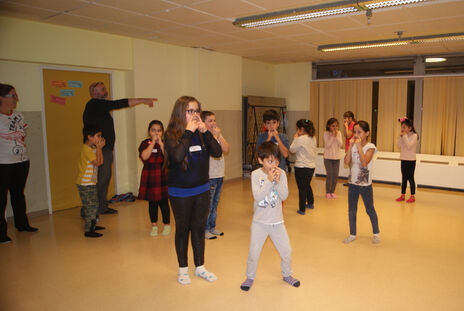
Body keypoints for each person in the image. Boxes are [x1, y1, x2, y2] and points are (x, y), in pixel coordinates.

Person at [164, 96, 222, 285]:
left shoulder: (201, 132)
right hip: (180, 191)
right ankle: (182, 269)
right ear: (181, 112)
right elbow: (178, 156)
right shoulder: (171, 134)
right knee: (183, 229)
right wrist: (188, 132)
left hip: (202, 188)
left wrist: (206, 133)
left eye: (197, 110)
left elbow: (217, 152)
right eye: (190, 111)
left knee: (198, 228)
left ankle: (200, 267)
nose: (195, 114)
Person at [83, 82, 157, 215]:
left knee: (103, 178)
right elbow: (119, 103)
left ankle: (100, 207)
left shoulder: (97, 106)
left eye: (105, 88)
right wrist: (143, 100)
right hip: (100, 149)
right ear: (94, 93)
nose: (105, 91)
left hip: (103, 148)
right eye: (102, 89)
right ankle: (90, 209)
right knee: (99, 179)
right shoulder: (95, 104)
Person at [240, 142, 300, 291]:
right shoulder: (255, 175)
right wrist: (268, 180)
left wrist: (278, 181)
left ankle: (287, 274)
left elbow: (284, 196)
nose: (274, 164)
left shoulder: (282, 174)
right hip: (259, 222)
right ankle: (250, 277)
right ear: (261, 160)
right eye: (270, 161)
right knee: (254, 253)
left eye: (276, 161)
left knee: (286, 251)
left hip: (277, 222)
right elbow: (258, 196)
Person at [0, 84, 38, 244]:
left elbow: (22, 135)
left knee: (18, 193)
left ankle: (22, 224)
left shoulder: (19, 115)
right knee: (1, 198)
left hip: (21, 161)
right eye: (13, 96)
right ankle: (1, 234)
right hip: (3, 163)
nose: (17, 99)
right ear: (1, 98)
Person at [343, 121, 380, 244]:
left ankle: (376, 233)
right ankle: (352, 234)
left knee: (369, 209)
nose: (356, 135)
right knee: (352, 210)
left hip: (365, 185)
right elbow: (346, 161)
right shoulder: (354, 146)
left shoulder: (371, 147)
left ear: (367, 133)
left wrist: (358, 146)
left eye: (359, 132)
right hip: (353, 183)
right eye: (355, 132)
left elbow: (364, 163)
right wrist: (350, 147)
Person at [200, 111, 230, 240]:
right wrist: (212, 137)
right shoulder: (203, 137)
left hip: (219, 174)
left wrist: (218, 136)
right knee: (208, 203)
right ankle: (205, 229)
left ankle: (212, 226)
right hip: (209, 175)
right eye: (210, 121)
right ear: (203, 123)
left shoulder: (217, 134)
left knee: (215, 203)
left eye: (214, 120)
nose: (213, 123)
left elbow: (226, 149)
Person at [138, 120, 170, 237]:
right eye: (153, 130)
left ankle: (167, 225)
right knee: (152, 204)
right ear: (149, 132)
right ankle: (154, 226)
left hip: (162, 176)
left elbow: (168, 157)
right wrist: (152, 144)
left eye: (159, 130)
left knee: (164, 203)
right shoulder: (145, 143)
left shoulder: (165, 143)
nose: (156, 133)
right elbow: (144, 157)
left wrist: (160, 143)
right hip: (150, 176)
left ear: (162, 132)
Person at [77, 124, 106, 238]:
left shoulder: (92, 149)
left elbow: (101, 161)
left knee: (94, 204)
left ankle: (93, 225)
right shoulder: (86, 149)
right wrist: (99, 149)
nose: (100, 139)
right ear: (89, 137)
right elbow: (97, 163)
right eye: (98, 136)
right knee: (90, 206)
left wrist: (99, 149)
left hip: (91, 182)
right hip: (85, 183)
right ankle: (88, 230)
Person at [289, 119, 317, 215]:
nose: (296, 131)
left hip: (301, 167)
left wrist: (295, 138)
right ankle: (310, 203)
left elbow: (292, 149)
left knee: (302, 188)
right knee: (307, 185)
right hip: (311, 167)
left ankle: (302, 209)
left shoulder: (301, 139)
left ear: (301, 129)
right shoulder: (313, 138)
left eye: (297, 129)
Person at [396, 117, 418, 203]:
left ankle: (412, 196)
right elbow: (399, 145)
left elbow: (409, 146)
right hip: (403, 159)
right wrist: (400, 137)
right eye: (402, 127)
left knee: (410, 178)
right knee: (404, 178)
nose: (402, 129)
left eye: (404, 127)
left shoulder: (414, 136)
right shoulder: (404, 136)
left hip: (411, 160)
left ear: (410, 128)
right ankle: (402, 195)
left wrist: (404, 136)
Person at [323, 118, 343, 199]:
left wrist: (336, 136)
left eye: (336, 126)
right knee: (330, 175)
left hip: (336, 158)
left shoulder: (339, 133)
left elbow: (340, 144)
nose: (335, 128)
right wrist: (332, 136)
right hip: (328, 158)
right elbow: (327, 145)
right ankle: (328, 192)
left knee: (335, 176)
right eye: (333, 126)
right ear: (329, 126)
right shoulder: (326, 133)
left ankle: (332, 192)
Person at [342, 111, 356, 187]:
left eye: (346, 118)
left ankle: (352, 181)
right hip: (348, 146)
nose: (344, 120)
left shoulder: (353, 125)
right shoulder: (348, 125)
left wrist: (346, 126)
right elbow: (345, 135)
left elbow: (348, 135)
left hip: (352, 147)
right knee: (350, 166)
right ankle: (350, 180)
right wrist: (345, 126)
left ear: (350, 118)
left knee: (352, 165)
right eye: (344, 118)